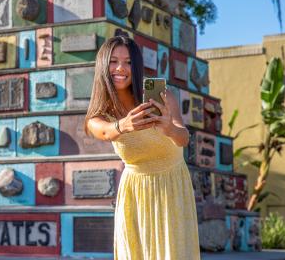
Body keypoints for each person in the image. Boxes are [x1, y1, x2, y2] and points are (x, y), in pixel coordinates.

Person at [85, 35, 200, 259]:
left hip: (172, 186)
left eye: (128, 62)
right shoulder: (100, 114)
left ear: (136, 66)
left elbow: (183, 138)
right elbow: (103, 131)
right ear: (103, 64)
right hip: (136, 192)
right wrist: (124, 125)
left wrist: (169, 129)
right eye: (113, 61)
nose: (121, 68)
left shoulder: (161, 96)